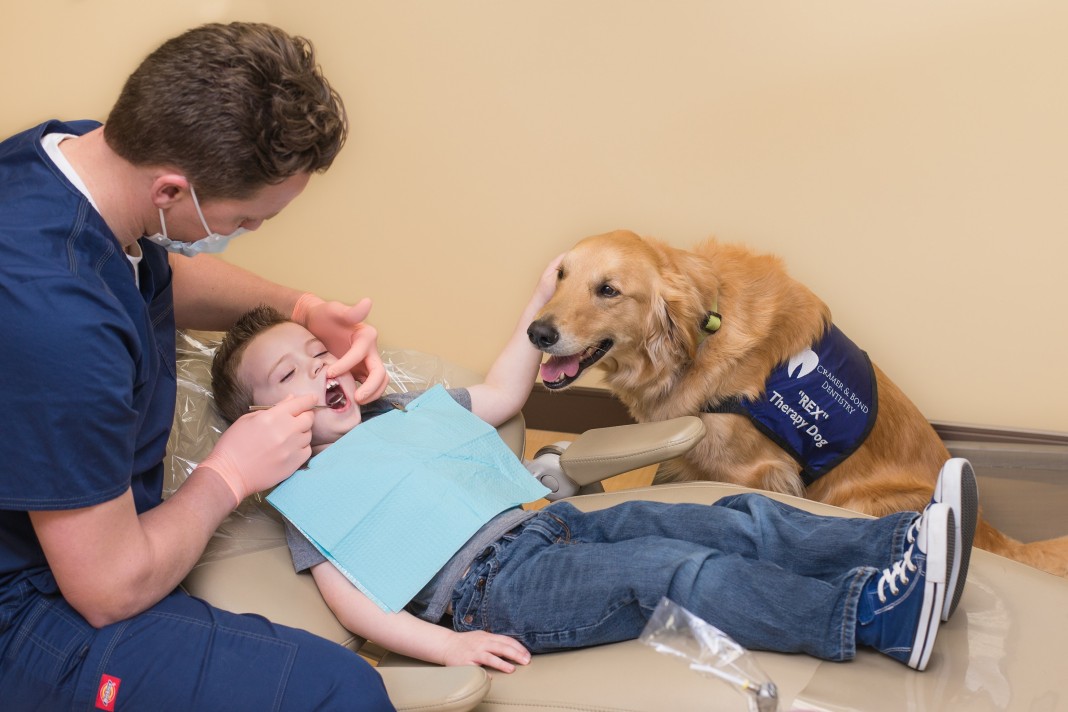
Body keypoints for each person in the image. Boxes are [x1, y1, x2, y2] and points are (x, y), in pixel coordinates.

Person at [210, 259, 977, 677]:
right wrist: (447, 647)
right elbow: (351, 606)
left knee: (718, 518)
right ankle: (878, 615)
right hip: (495, 593)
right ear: (256, 423)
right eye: (287, 379)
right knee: (676, 569)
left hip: (555, 529)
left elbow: (508, 388)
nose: (316, 374)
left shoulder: (409, 415)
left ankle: (902, 544)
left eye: (318, 356)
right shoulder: (309, 493)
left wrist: (545, 297)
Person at [0, 22, 396, 711]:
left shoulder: (66, 158)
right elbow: (107, 588)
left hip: (87, 547)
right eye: (245, 220)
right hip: (26, 603)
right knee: (342, 692)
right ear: (172, 192)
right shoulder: (57, 318)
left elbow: (149, 273)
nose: (247, 233)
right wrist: (229, 474)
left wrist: (299, 308)